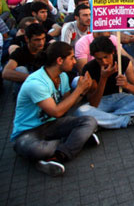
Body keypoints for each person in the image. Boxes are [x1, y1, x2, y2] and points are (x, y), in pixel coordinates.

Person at [11, 41, 97, 177]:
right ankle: (73, 142)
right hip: (28, 132)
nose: (74, 62)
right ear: (59, 60)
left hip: (51, 124)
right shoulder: (36, 83)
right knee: (38, 150)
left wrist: (83, 91)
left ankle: (60, 155)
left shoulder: (62, 76)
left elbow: (68, 104)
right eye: (71, 58)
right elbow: (56, 111)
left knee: (90, 121)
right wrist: (79, 89)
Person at [75, 36, 134, 128]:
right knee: (81, 111)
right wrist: (103, 78)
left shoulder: (123, 61)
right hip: (102, 101)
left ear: (112, 52)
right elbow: (94, 103)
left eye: (106, 57)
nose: (103, 61)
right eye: (99, 59)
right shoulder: (89, 68)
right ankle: (126, 120)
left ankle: (106, 120)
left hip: (120, 98)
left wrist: (126, 85)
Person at [2, 23, 47, 95]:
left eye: (43, 39)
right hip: (27, 87)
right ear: (27, 39)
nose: (41, 43)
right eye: (37, 40)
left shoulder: (48, 49)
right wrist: (33, 78)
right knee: (21, 69)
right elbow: (6, 73)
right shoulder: (20, 52)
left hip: (45, 85)